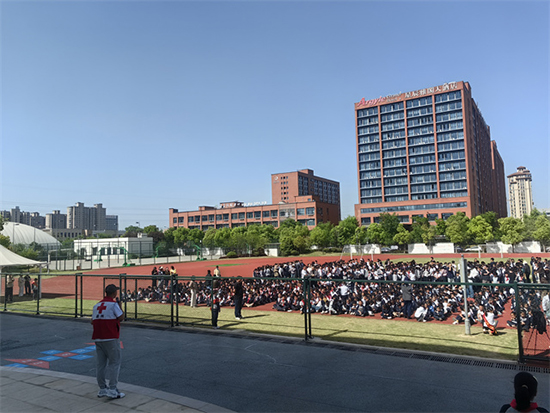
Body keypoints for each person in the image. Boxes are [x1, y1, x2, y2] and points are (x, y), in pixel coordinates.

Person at [91, 284, 125, 399]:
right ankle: (112, 389)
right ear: (114, 293)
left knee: (100, 364)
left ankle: (102, 388)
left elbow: (92, 321)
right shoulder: (114, 305)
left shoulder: (97, 305)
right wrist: (120, 306)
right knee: (114, 363)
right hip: (110, 337)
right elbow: (121, 317)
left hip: (98, 338)